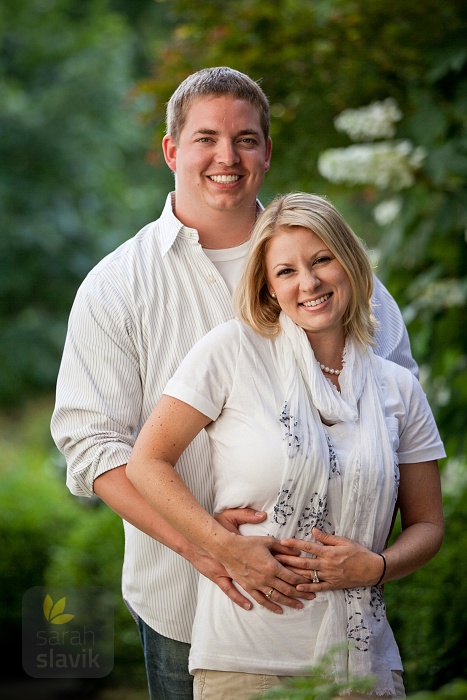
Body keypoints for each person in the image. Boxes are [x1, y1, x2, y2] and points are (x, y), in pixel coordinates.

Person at [51, 67, 419, 700]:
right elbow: (93, 448)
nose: (227, 156)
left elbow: (396, 411)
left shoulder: (334, 273)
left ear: (267, 153)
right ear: (171, 150)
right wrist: (209, 546)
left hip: (335, 600)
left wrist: (366, 551)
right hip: (182, 598)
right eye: (205, 138)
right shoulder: (117, 286)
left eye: (247, 139)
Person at [126, 192, 445, 700]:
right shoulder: (231, 351)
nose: (310, 283)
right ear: (269, 289)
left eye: (322, 260)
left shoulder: (397, 386)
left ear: (352, 264)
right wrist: (221, 545)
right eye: (287, 271)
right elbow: (147, 461)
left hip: (362, 665)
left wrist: (377, 566)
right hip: (246, 659)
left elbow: (428, 525)